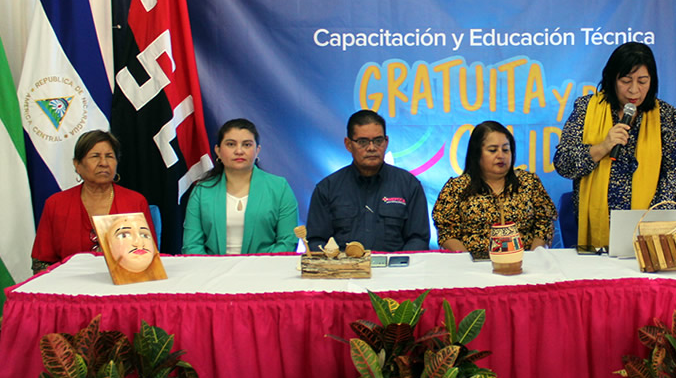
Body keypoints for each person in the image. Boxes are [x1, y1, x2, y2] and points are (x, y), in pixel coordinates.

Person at [554, 42, 676, 250]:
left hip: (647, 229)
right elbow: (564, 164)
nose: (634, 90)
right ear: (612, 79)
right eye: (626, 81)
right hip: (595, 228)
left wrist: (653, 221)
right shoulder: (586, 109)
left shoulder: (668, 117)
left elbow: (675, 173)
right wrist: (603, 146)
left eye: (643, 81)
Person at [31, 130, 154, 273]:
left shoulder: (135, 202)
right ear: (77, 165)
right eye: (95, 156)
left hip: (124, 286)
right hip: (69, 288)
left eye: (109, 156)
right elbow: (42, 263)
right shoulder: (56, 204)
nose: (104, 163)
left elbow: (148, 259)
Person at [307, 110, 430, 252]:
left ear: (386, 142)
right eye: (363, 142)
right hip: (344, 271)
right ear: (348, 144)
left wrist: (398, 266)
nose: (371, 148)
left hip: (395, 271)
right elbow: (316, 241)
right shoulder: (327, 189)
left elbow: (418, 239)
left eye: (378, 141)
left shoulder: (409, 185)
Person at [432, 121, 557, 259]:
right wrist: (468, 261)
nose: (501, 156)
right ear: (476, 153)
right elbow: (447, 234)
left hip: (524, 263)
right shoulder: (456, 188)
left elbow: (544, 224)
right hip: (473, 266)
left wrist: (534, 257)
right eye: (492, 150)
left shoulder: (529, 182)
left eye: (505, 149)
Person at [182, 119, 300, 255]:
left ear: (257, 151)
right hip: (213, 273)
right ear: (218, 151)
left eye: (247, 145)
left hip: (265, 272)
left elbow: (287, 242)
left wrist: (254, 270)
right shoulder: (202, 191)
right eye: (231, 144)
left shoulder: (280, 188)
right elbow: (192, 246)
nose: (239, 151)